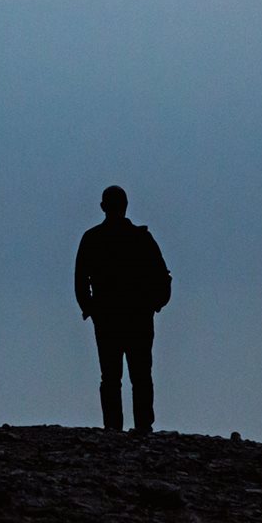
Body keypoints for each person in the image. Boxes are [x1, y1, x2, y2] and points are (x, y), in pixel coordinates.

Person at [74, 186, 171, 434]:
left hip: (109, 318)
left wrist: (90, 308)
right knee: (139, 375)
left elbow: (80, 280)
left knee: (112, 376)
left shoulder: (93, 238)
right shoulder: (141, 238)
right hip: (136, 317)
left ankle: (113, 427)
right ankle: (142, 426)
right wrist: (154, 304)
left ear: (103, 207)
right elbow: (162, 277)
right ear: (125, 205)